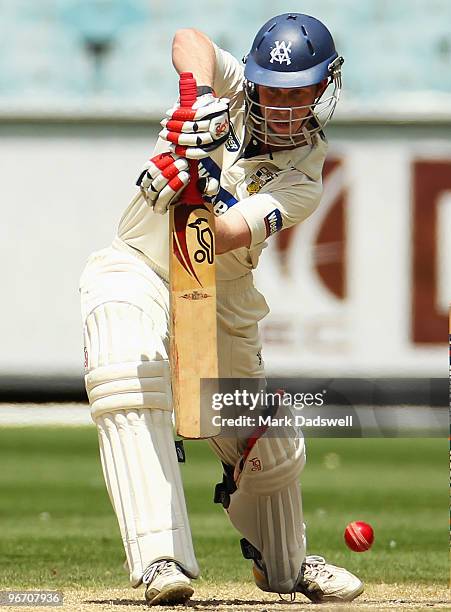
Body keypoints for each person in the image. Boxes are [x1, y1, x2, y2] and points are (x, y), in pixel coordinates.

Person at [80, 12, 363, 606]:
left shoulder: (304, 174)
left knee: (267, 438)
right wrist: (197, 97)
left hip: (223, 293)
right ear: (255, 81)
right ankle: (161, 559)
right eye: (273, 89)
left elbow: (231, 230)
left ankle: (285, 566)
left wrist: (195, 172)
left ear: (323, 89)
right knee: (123, 369)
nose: (283, 104)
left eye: (299, 92)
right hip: (144, 263)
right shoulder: (232, 93)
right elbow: (190, 40)